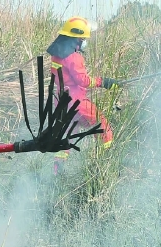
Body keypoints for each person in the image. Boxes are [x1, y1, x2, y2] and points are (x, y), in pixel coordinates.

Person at [46, 16, 119, 173]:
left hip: (60, 101)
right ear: (76, 37)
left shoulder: (57, 54)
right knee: (101, 124)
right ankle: (108, 160)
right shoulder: (73, 56)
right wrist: (103, 82)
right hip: (76, 102)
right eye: (83, 38)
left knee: (66, 135)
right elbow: (83, 80)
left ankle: (57, 171)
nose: (84, 40)